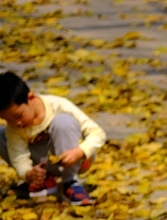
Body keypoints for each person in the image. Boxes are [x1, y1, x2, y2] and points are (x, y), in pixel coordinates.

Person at [0, 71, 105, 205]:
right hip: (42, 164)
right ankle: (43, 182)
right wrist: (29, 174)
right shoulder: (14, 126)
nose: (16, 123)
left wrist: (80, 152)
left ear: (30, 98)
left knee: (63, 121)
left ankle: (71, 182)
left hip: (73, 158)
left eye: (18, 116)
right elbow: (18, 156)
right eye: (7, 119)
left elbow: (97, 133)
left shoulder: (58, 105)